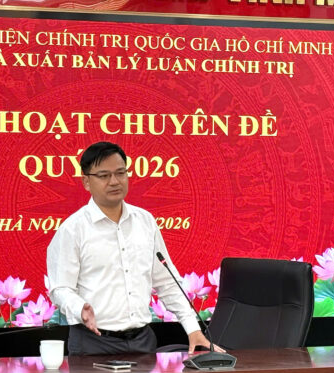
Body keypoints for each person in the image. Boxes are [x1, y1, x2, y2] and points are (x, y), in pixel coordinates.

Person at [46, 141, 225, 355]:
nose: (114, 181)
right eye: (104, 176)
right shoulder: (72, 229)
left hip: (142, 341)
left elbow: (166, 282)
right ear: (86, 181)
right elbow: (60, 288)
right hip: (93, 342)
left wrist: (193, 329)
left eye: (120, 173)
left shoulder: (145, 221)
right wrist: (79, 308)